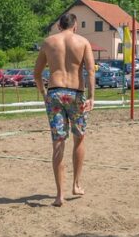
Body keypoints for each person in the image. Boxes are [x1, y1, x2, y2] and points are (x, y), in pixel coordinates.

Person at [35, 13, 96, 207]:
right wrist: (92, 96)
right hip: (76, 93)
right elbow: (91, 70)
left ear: (59, 26)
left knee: (58, 142)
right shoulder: (83, 42)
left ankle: (59, 195)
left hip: (55, 92)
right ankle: (76, 184)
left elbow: (37, 73)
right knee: (79, 138)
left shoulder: (49, 42)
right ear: (75, 26)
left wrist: (44, 93)